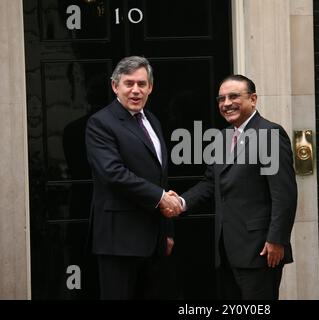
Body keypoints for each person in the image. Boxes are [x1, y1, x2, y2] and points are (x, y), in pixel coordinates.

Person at [166, 74, 297, 300]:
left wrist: (277, 239)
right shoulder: (224, 137)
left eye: (234, 96)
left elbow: (284, 194)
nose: (226, 104)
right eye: (221, 99)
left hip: (261, 250)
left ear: (253, 99)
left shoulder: (269, 134)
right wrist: (181, 202)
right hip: (228, 251)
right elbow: (210, 183)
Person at [85, 56, 182, 299]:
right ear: (115, 86)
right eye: (129, 83)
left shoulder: (153, 120)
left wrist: (167, 230)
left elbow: (160, 176)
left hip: (154, 240)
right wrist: (161, 198)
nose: (136, 90)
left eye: (142, 83)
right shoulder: (100, 123)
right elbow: (113, 173)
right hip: (119, 241)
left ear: (151, 87)